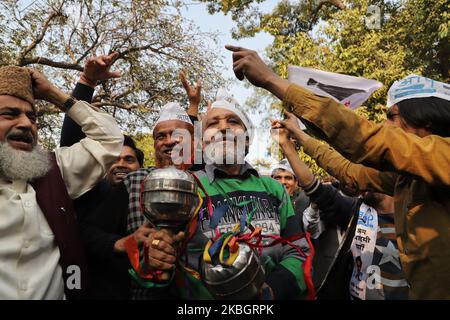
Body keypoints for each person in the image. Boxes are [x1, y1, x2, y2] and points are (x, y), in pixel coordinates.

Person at [226, 45, 450, 299]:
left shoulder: (445, 156)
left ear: (426, 118)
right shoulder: (410, 178)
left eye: (393, 116)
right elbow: (348, 170)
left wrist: (271, 80)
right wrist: (299, 136)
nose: (386, 125)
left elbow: (368, 140)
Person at [144, 89, 312, 300]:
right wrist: (155, 258)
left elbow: (298, 249)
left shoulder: (274, 188)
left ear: (248, 138)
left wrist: (271, 291)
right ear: (203, 142)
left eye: (233, 121)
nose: (223, 128)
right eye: (213, 124)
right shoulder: (187, 188)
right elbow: (157, 260)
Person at [0, 65, 123, 299]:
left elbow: (110, 140)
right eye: (10, 114)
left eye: (32, 117)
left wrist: (54, 94)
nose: (27, 124)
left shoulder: (53, 172)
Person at [79, 74, 202, 299]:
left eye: (178, 134)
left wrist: (193, 107)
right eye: (160, 136)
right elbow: (87, 233)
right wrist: (124, 243)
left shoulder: (207, 183)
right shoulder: (135, 182)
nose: (169, 141)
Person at [272, 120, 409, 299]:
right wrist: (287, 146)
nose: (359, 179)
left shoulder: (419, 216)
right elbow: (315, 188)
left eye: (367, 173)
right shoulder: (355, 211)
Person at [59, 53, 144, 221]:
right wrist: (87, 82)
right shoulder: (90, 193)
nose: (120, 165)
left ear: (141, 167)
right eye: (114, 160)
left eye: (129, 160)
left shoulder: (151, 197)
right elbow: (70, 144)